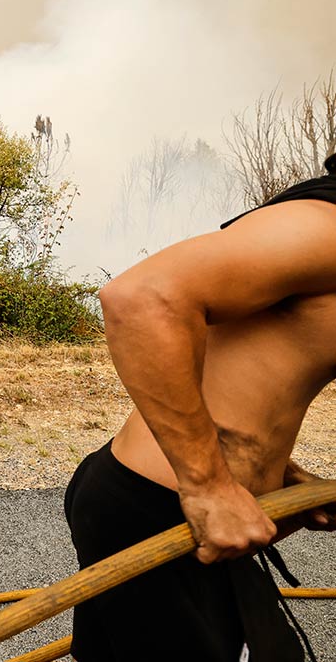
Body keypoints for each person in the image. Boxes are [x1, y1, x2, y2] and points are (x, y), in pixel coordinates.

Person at [64, 153, 336, 661]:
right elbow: (140, 299)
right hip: (156, 511)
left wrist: (282, 476)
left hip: (178, 510)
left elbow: (246, 362)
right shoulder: (328, 224)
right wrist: (209, 486)